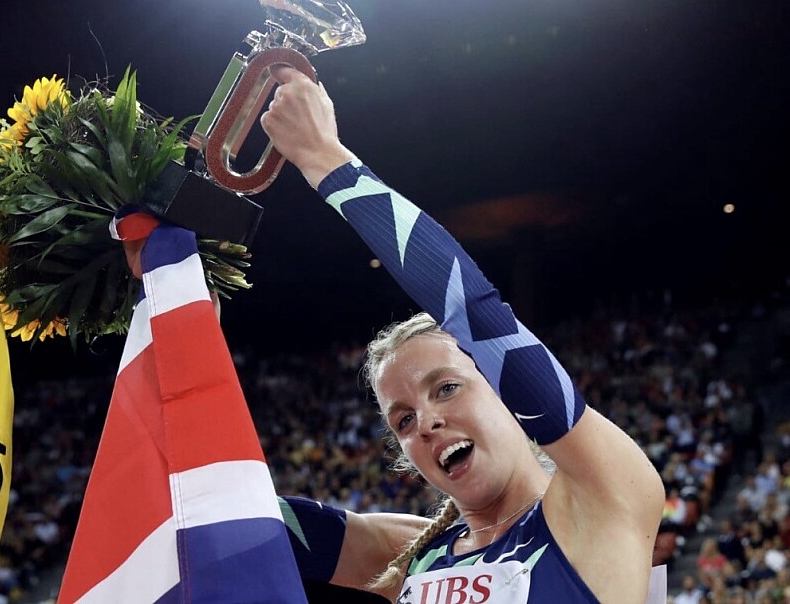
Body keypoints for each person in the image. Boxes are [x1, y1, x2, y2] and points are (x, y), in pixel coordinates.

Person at [261, 66, 665, 603]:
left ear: (507, 390)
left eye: (447, 387)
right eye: (403, 420)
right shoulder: (411, 555)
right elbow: (237, 520)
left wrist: (325, 160)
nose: (426, 422)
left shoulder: (603, 498)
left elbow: (474, 312)